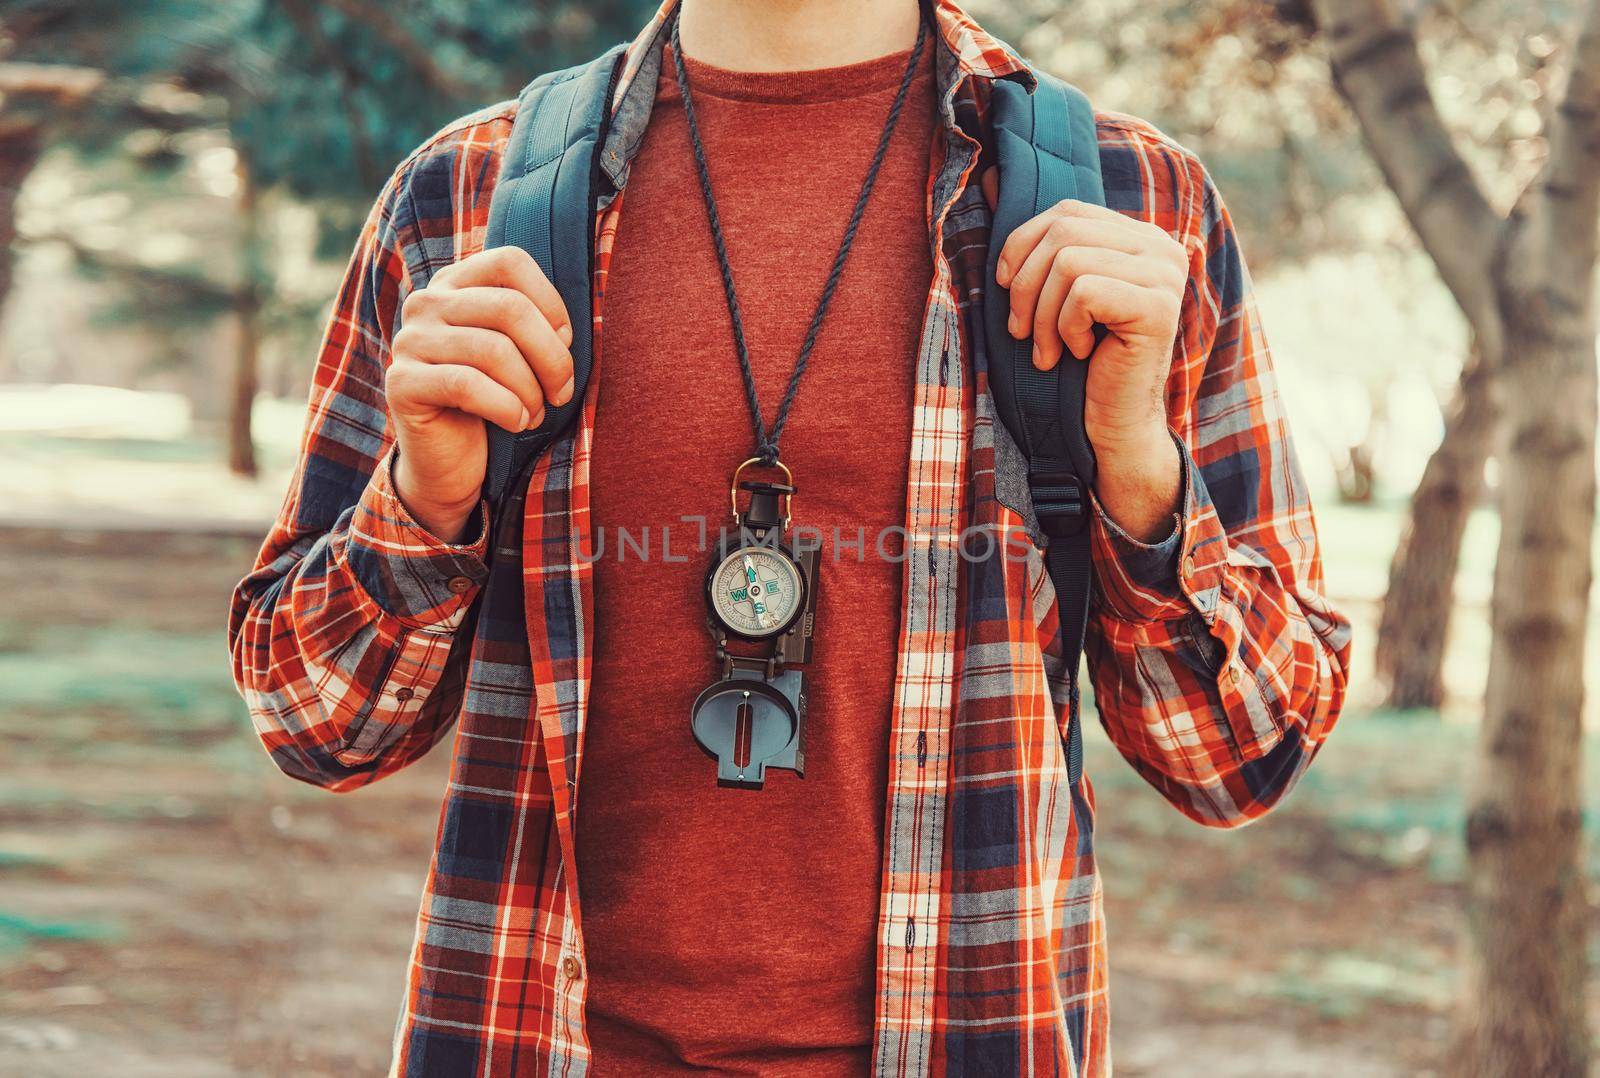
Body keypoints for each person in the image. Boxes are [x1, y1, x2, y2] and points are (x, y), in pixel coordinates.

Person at [228, 0, 1352, 1073]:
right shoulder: (464, 201)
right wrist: (423, 503)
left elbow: (1240, 752)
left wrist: (1141, 475)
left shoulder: (1136, 211)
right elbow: (316, 722)